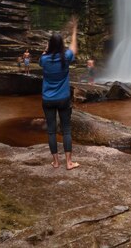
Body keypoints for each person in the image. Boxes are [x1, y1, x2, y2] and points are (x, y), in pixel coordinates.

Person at [39, 18, 79, 170]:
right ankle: (69, 163)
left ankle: (56, 162)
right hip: (63, 98)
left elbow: (43, 57)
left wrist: (46, 48)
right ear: (62, 45)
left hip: (48, 99)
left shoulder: (44, 59)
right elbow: (73, 49)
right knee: (66, 129)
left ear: (50, 44)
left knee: (51, 131)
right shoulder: (66, 57)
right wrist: (74, 31)